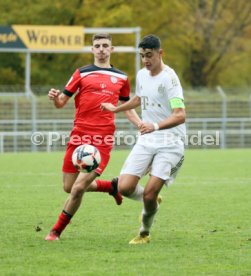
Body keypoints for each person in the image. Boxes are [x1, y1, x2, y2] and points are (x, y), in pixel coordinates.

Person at [45, 33, 141, 241]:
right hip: (78, 136)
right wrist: (54, 98)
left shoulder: (122, 78)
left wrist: (141, 124)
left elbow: (125, 108)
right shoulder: (81, 73)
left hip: (102, 139)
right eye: (97, 45)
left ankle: (55, 231)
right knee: (69, 187)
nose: (101, 49)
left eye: (105, 45)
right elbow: (62, 102)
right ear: (92, 49)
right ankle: (111, 186)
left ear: (111, 49)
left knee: (78, 188)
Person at [101, 34, 186, 244]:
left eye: (149, 55)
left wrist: (154, 125)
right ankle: (153, 203)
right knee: (124, 187)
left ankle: (144, 233)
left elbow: (180, 114)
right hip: (147, 140)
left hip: (170, 142)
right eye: (142, 56)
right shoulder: (142, 74)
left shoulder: (170, 79)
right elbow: (139, 98)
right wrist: (117, 108)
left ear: (160, 53)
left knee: (148, 194)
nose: (146, 60)